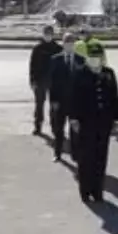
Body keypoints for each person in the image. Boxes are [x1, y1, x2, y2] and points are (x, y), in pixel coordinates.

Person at [68, 40, 118, 203]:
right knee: (86, 158)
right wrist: (74, 118)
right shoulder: (79, 73)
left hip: (104, 123)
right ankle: (85, 191)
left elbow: (114, 97)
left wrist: (116, 118)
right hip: (85, 122)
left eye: (98, 56)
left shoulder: (108, 73)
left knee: (100, 158)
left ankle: (98, 191)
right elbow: (73, 98)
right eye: (92, 56)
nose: (95, 59)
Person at [45, 31, 82, 162]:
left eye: (71, 42)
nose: (69, 45)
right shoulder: (55, 59)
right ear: (63, 43)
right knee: (58, 129)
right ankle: (57, 153)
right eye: (67, 42)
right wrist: (53, 100)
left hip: (75, 102)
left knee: (75, 130)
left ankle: (76, 154)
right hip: (59, 101)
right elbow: (51, 82)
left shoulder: (80, 59)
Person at [28, 25, 63, 135]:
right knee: (39, 105)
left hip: (54, 82)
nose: (48, 36)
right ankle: (38, 126)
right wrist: (32, 80)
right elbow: (32, 66)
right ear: (43, 34)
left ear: (53, 35)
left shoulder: (58, 48)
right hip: (40, 81)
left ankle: (55, 127)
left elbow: (62, 66)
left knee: (54, 106)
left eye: (50, 34)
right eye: (46, 34)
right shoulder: (37, 49)